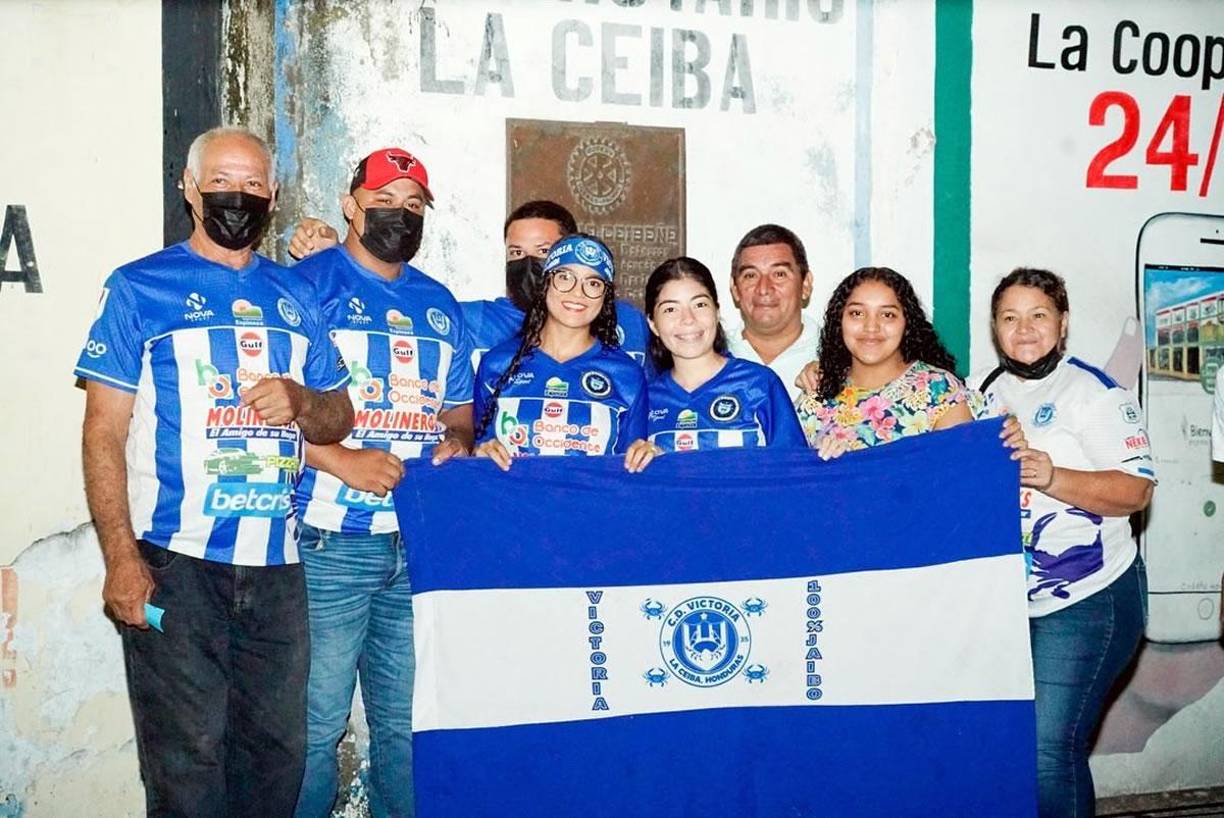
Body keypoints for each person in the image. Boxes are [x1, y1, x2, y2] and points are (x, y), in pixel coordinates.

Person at [75, 126, 354, 818]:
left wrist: (301, 401)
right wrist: (120, 558)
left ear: (274, 194)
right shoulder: (140, 286)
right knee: (186, 765)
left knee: (276, 760)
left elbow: (339, 417)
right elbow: (102, 432)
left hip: (277, 571)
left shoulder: (296, 297)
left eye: (254, 184)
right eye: (223, 182)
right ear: (190, 190)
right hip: (178, 565)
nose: (239, 196)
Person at [291, 148, 474, 818]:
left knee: (407, 728)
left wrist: (458, 437)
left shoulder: (438, 302)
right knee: (315, 730)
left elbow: (459, 408)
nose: (399, 215)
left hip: (415, 546)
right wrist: (337, 459)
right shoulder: (305, 286)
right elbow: (259, 409)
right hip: (327, 543)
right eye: (385, 200)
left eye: (414, 205)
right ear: (350, 205)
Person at [975, 268, 1154, 818]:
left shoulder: (1095, 393)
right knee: (1008, 749)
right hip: (1009, 603)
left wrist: (1053, 476)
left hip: (1089, 598)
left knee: (1047, 751)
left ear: (1063, 323)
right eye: (1010, 317)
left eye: (1038, 315)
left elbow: (1136, 491)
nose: (1023, 329)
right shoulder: (984, 391)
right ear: (994, 327)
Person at [288, 200, 652, 368]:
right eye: (515, 252)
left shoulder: (629, 323)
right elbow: (392, 306)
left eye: (543, 250)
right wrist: (340, 258)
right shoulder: (475, 319)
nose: (528, 263)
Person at [473, 234, 647, 471]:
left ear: (606, 296)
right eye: (565, 277)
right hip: (511, 506)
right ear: (545, 283)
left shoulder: (627, 375)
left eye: (593, 283)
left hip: (591, 507)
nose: (578, 293)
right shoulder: (497, 363)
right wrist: (479, 451)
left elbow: (632, 471)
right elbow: (480, 449)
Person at [640, 256, 806, 454]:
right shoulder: (646, 399)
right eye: (670, 309)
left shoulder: (759, 385)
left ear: (717, 312)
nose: (688, 320)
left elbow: (795, 469)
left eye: (700, 305)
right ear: (653, 324)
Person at [796, 267, 973, 449]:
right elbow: (789, 468)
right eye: (857, 313)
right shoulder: (816, 393)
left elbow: (959, 469)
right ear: (839, 321)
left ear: (907, 323)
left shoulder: (939, 391)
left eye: (887, 315)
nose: (871, 327)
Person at [724, 224, 820, 403]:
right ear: (735, 289)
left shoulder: (838, 357)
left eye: (779, 274)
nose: (764, 289)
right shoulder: (713, 357)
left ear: (805, 285)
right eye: (750, 275)